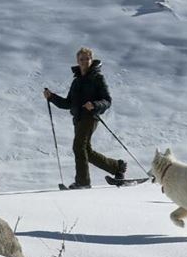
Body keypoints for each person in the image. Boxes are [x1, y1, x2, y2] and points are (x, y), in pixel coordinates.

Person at [43, 47, 127, 189]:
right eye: (81, 59)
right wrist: (51, 97)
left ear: (91, 60)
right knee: (86, 151)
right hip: (78, 119)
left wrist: (94, 105)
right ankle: (117, 167)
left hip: (90, 117)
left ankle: (83, 182)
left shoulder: (97, 78)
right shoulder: (76, 81)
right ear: (77, 60)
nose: (84, 62)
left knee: (78, 146)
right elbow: (68, 103)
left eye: (87, 59)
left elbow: (107, 100)